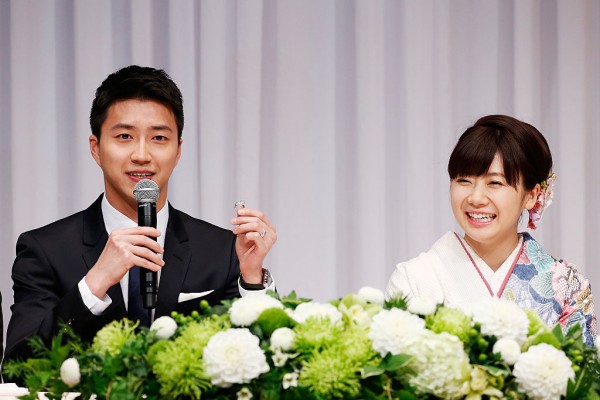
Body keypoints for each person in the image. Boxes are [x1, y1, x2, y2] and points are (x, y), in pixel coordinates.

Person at [4, 65, 277, 363]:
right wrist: (94, 284)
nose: (142, 155)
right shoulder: (46, 250)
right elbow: (19, 366)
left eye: (159, 138)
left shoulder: (222, 249)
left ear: (178, 150)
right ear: (96, 148)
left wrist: (252, 280)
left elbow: (264, 365)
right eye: (124, 136)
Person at [385, 114, 597, 347]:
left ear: (531, 195)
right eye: (463, 181)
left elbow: (581, 368)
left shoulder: (566, 285)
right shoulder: (415, 278)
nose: (475, 198)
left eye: (495, 183)